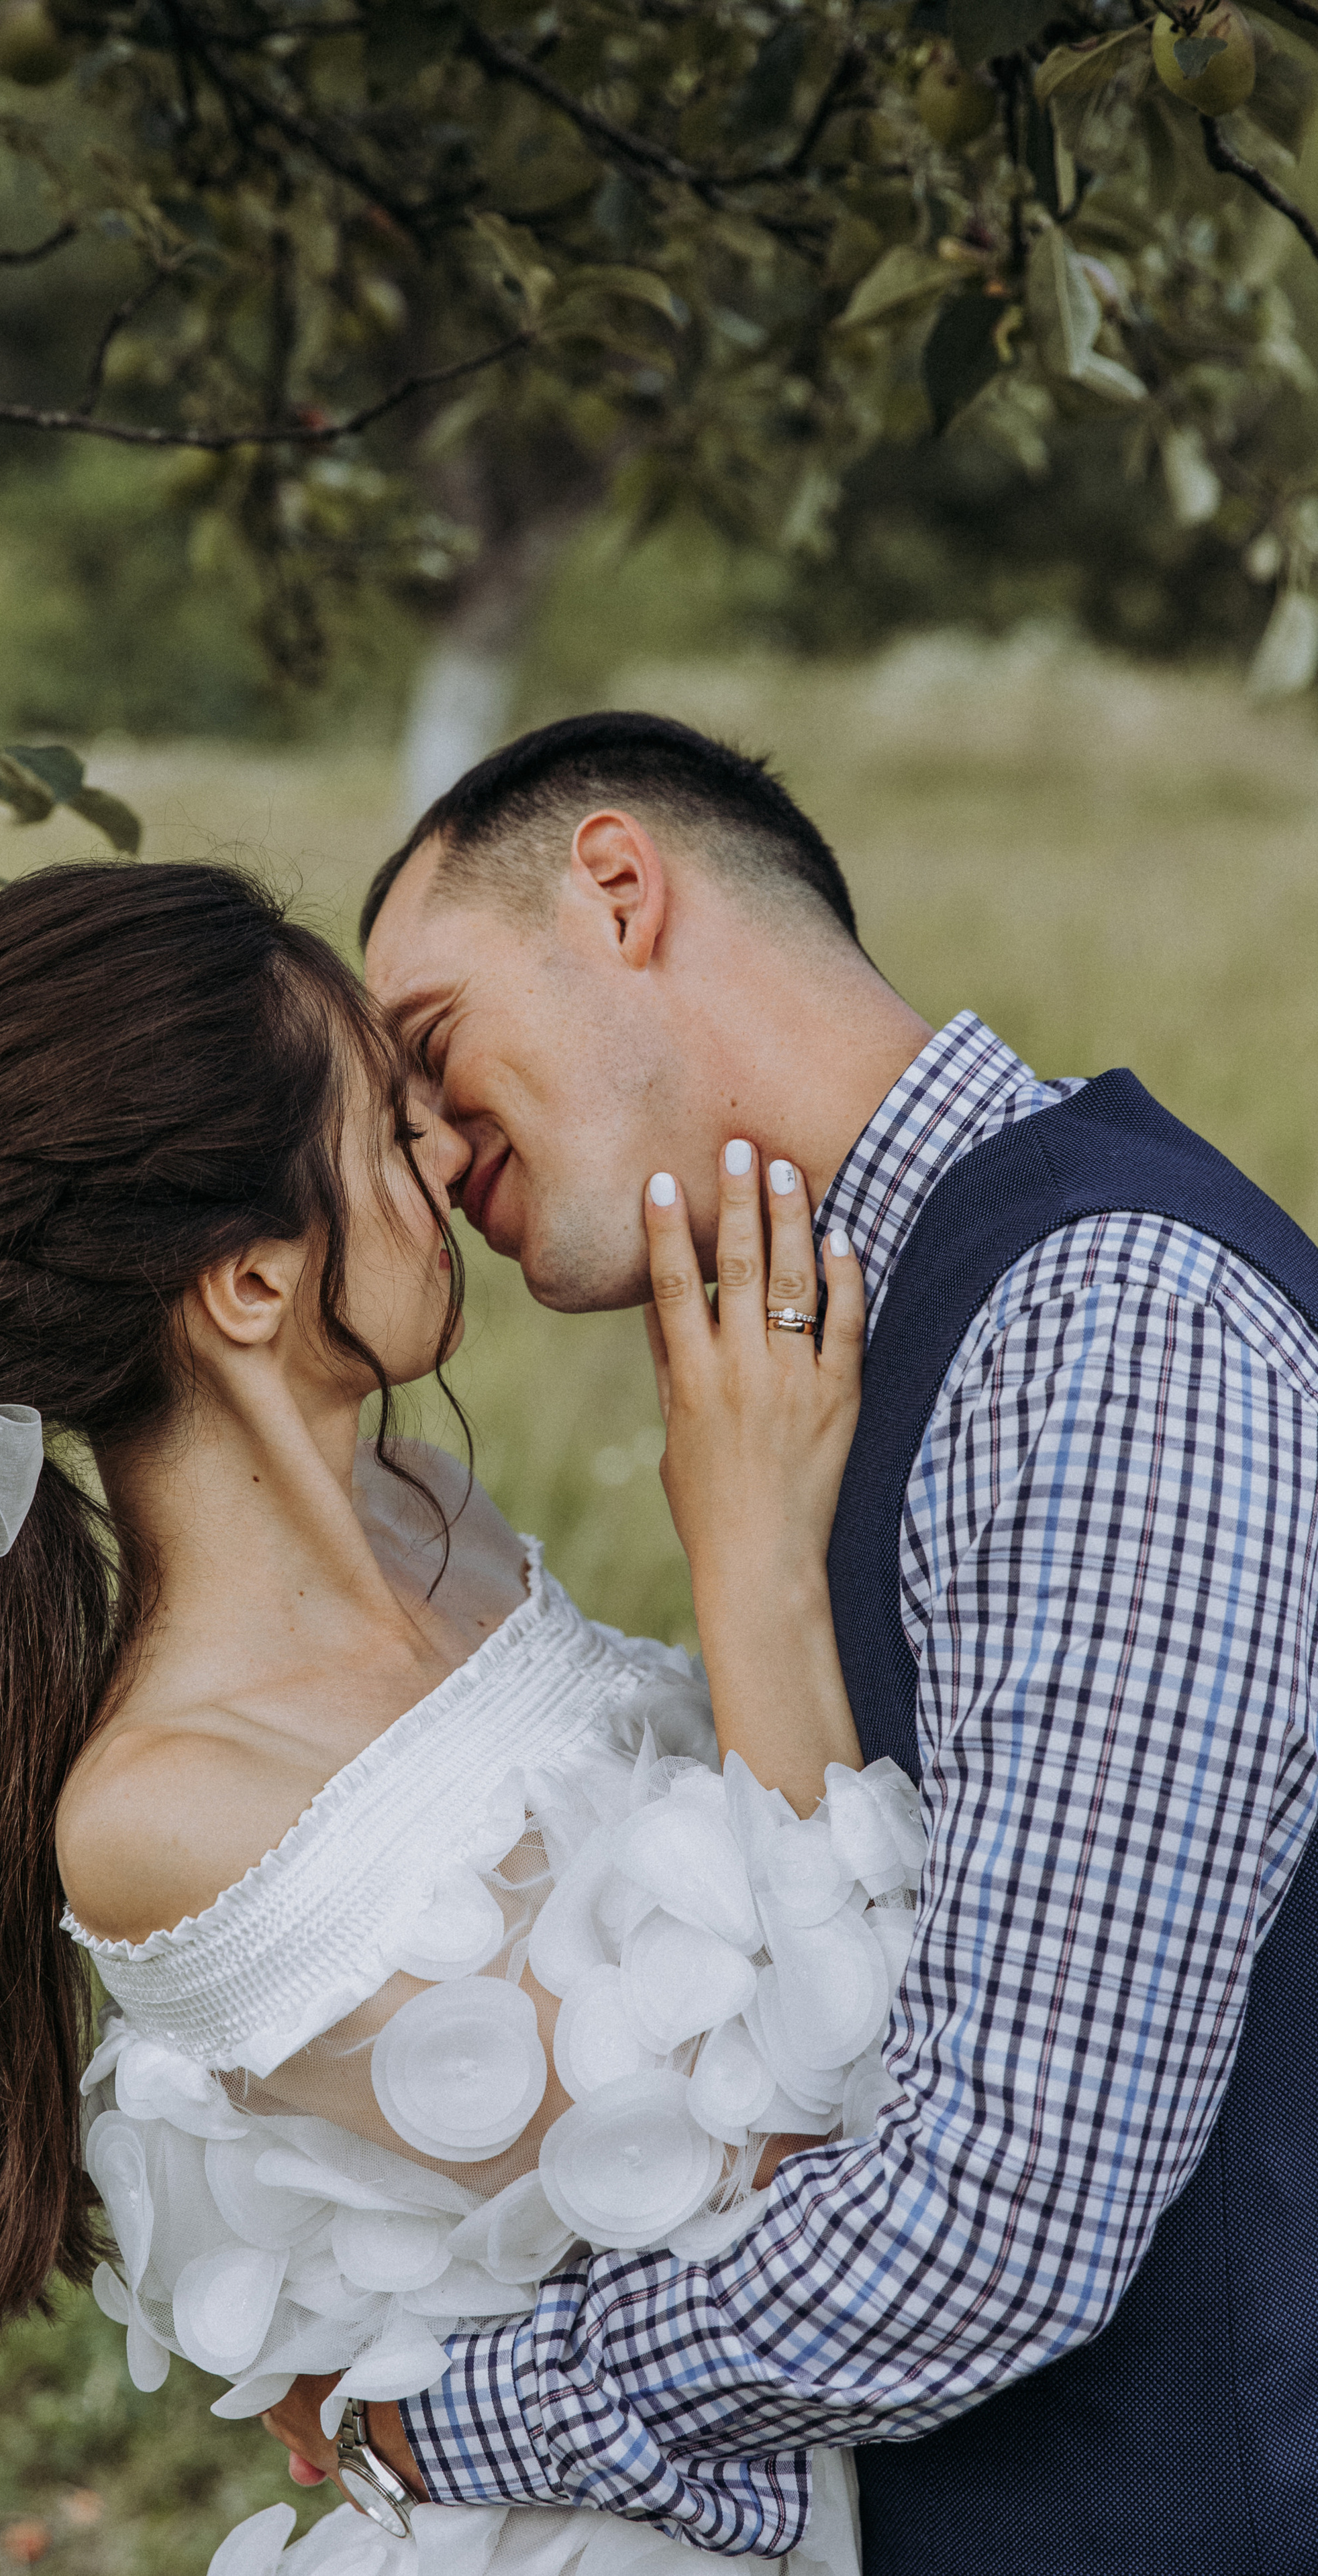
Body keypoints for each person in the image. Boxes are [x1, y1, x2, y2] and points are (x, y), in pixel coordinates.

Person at [260, 712, 1318, 2574]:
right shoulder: (848, 1349)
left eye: (427, 1051)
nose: (421, 1154)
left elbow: (1003, 2213)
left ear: (616, 888)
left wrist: (451, 2412)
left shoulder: (1112, 1332)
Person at [0, 857, 911, 2576]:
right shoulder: (172, 1805)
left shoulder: (430, 1510)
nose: (451, 1162)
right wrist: (751, 1566)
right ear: (246, 1287)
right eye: (393, 1139)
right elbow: (777, 2182)